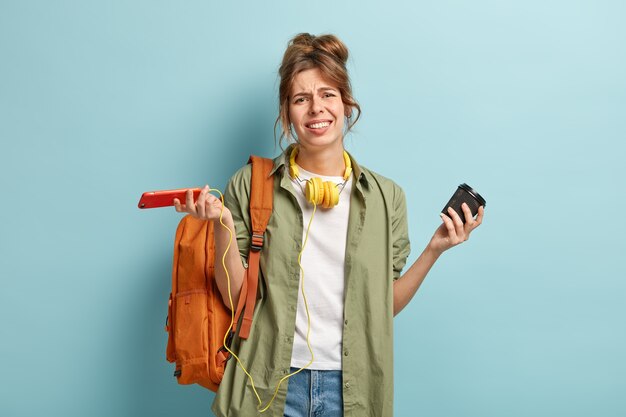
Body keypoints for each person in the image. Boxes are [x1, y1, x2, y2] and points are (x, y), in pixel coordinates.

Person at [174, 33, 484, 417]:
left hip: (351, 387)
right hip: (268, 381)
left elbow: (381, 307)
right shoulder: (251, 184)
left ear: (346, 105)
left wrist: (434, 249)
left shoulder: (386, 197)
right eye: (301, 99)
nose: (316, 108)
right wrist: (221, 224)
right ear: (287, 113)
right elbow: (239, 300)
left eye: (327, 95)